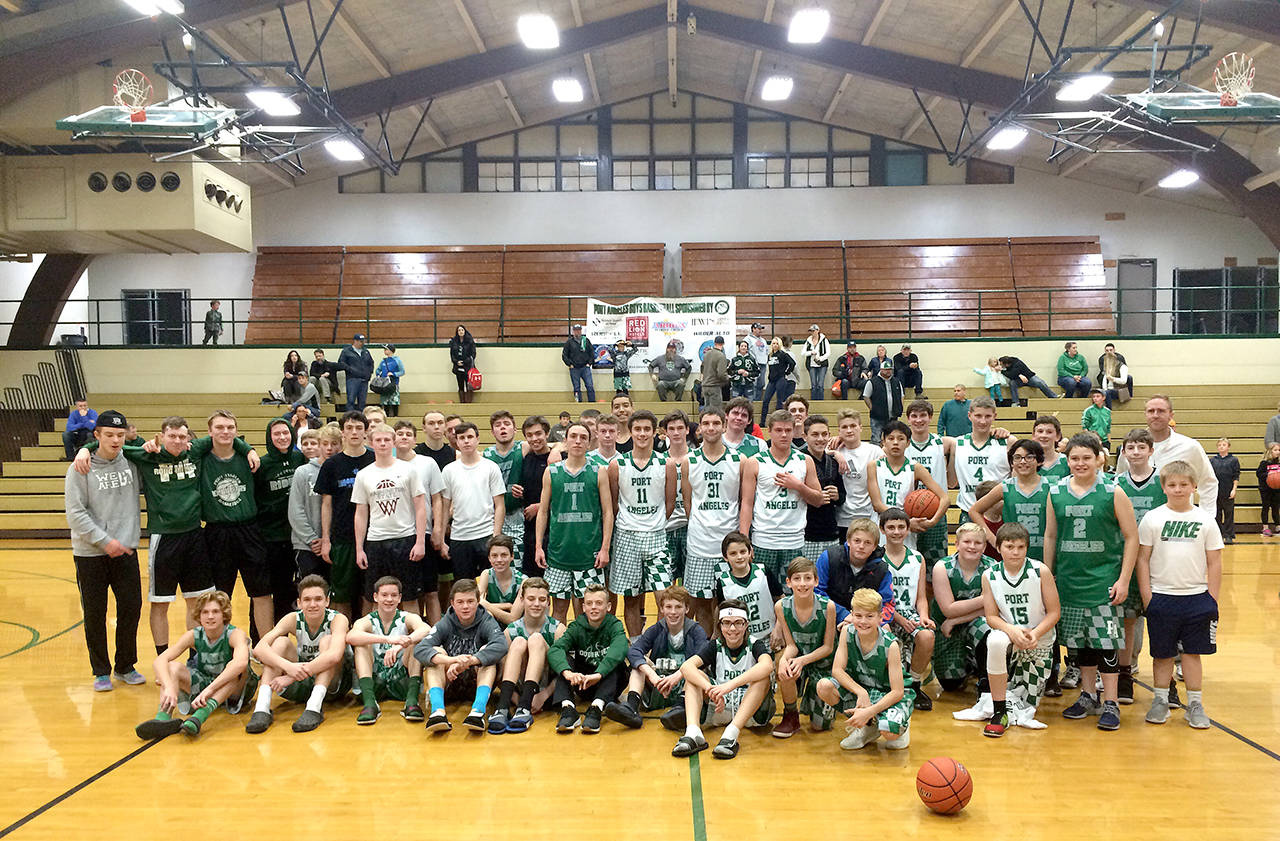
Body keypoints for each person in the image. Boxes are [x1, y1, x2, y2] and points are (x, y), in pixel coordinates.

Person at [1044, 433, 1138, 731]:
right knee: (1080, 645)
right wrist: (1047, 576)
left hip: (1103, 582)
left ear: (1099, 459)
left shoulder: (1113, 492)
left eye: (1086, 457)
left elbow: (1131, 537)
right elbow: (1050, 536)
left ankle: (1110, 701)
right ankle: (1087, 695)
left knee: (1106, 644)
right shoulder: (1056, 491)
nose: (1080, 463)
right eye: (1074, 458)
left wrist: (1123, 580)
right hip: (1070, 582)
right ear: (1067, 460)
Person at [1137, 461, 1223, 729]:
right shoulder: (1152, 518)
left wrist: (1212, 598)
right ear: (1163, 487)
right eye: (1172, 485)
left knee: (1191, 655)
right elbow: (1142, 560)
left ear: (1194, 487)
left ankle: (1195, 703)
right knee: (1162, 654)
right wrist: (1147, 596)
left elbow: (1215, 562)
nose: (1178, 489)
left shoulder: (1205, 520)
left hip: (1197, 597)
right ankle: (1160, 700)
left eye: (1183, 484)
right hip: (1162, 597)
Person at [65, 409, 144, 692]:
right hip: (90, 554)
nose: (115, 440)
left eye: (120, 435)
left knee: (131, 608)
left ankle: (125, 665)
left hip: (125, 550)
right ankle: (100, 670)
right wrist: (104, 541)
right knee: (95, 613)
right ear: (96, 435)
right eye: (109, 434)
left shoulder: (132, 462)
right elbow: (75, 514)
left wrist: (120, 543)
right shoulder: (80, 467)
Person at [134, 590, 254, 739]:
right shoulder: (194, 634)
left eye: (215, 611)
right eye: (205, 612)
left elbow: (240, 663)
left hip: (234, 690)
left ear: (224, 614)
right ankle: (163, 717)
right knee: (173, 667)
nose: (210, 616)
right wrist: (169, 686)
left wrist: (209, 690)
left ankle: (199, 717)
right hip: (206, 684)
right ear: (199, 615)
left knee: (234, 671)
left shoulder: (234, 634)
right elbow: (160, 660)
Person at [978, 522, 1060, 736]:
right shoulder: (989, 575)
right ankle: (999, 711)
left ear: (1027, 548)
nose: (1015, 552)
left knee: (1026, 703)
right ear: (998, 548)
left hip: (1038, 639)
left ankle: (1007, 700)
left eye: (1021, 547)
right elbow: (991, 617)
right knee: (994, 640)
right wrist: (1011, 630)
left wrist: (1034, 633)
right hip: (1009, 635)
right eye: (1009, 546)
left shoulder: (1040, 571)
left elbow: (1054, 613)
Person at [246, 574, 353, 734]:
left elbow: (334, 656)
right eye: (307, 599)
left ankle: (314, 708)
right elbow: (259, 648)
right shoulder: (292, 618)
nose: (313, 604)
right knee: (280, 643)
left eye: (318, 599)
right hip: (304, 679)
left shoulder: (338, 619)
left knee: (328, 642)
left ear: (327, 601)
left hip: (333, 685)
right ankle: (262, 708)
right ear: (299, 602)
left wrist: (291, 676)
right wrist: (288, 666)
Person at [670, 598, 776, 760]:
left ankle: (731, 734)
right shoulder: (715, 645)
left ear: (746, 625)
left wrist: (728, 686)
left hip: (750, 713)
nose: (732, 628)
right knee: (693, 677)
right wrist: (709, 689)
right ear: (719, 625)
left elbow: (768, 666)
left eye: (738, 623)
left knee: (763, 678)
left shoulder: (755, 644)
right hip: (719, 707)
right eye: (726, 623)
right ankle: (693, 732)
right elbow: (686, 667)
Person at [815, 588, 913, 750]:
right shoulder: (847, 631)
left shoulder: (891, 645)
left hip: (889, 694)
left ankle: (901, 723)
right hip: (864, 688)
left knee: (890, 735)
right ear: (851, 614)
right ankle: (868, 727)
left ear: (880, 617)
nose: (863, 622)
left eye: (869, 616)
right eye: (858, 616)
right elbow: (837, 670)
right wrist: (861, 692)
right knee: (824, 686)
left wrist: (870, 710)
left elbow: (897, 692)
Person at [535, 422, 612, 622]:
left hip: (589, 554)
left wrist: (605, 548)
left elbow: (607, 512)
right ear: (565, 440)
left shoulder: (598, 471)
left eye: (583, 437)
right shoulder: (551, 472)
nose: (578, 441)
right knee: (558, 610)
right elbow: (542, 511)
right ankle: (560, 651)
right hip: (559, 553)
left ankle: (583, 653)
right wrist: (538, 546)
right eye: (574, 436)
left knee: (586, 611)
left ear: (589, 443)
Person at [605, 585, 709, 730]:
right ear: (661, 609)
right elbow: (634, 651)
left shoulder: (696, 631)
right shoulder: (656, 629)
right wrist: (653, 676)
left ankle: (682, 710)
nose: (673, 612)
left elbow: (703, 656)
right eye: (668, 607)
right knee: (639, 664)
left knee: (698, 673)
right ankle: (632, 707)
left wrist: (679, 675)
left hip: (684, 686)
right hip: (659, 685)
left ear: (687, 609)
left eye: (678, 607)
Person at [608, 410, 674, 637]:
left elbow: (670, 503)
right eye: (638, 429)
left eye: (647, 429)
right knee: (631, 598)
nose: (642, 433)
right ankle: (636, 644)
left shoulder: (666, 463)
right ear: (630, 431)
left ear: (655, 432)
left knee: (664, 597)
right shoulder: (618, 464)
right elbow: (614, 504)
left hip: (656, 535)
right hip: (627, 535)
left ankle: (660, 643)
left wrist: (652, 521)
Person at [739, 410, 825, 583]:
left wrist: (798, 486)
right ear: (769, 431)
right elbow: (747, 503)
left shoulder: (804, 460)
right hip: (763, 539)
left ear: (795, 431)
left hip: (794, 540)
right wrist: (744, 540)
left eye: (788, 430)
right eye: (778, 430)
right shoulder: (755, 462)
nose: (784, 435)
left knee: (793, 593)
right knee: (762, 591)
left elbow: (818, 500)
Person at [1113, 428, 1167, 704]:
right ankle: (1124, 674)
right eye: (1130, 448)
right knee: (1127, 620)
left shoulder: (1163, 480)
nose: (1135, 452)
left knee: (1162, 619)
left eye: (1141, 447)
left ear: (1150, 450)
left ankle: (1166, 678)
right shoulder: (1116, 482)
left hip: (1159, 558)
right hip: (1127, 558)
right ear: (1124, 452)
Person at [415, 578, 508, 733]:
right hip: (450, 682)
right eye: (460, 602)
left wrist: (469, 661)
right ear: (452, 603)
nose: (465, 606)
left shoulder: (486, 620)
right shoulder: (446, 622)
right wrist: (451, 660)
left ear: (478, 601)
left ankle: (478, 712)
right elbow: (420, 649)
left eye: (470, 601)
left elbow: (501, 645)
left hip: (475, 681)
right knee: (437, 653)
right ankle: (437, 712)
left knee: (488, 656)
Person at [353, 423, 428, 614]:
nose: (383, 443)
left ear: (393, 442)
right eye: (378, 440)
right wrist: (359, 548)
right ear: (371, 442)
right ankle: (371, 642)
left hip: (405, 539)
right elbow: (361, 513)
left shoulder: (409, 470)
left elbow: (420, 506)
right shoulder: (363, 475)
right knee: (372, 597)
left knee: (409, 596)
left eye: (387, 440)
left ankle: (415, 642)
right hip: (376, 541)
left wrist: (420, 541)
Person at [316, 411, 376, 619]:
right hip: (341, 538)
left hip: (373, 536)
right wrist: (326, 539)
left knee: (370, 594)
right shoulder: (331, 465)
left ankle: (366, 642)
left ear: (366, 432)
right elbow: (326, 504)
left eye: (359, 428)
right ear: (342, 432)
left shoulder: (375, 459)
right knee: (341, 595)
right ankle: (344, 642)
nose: (354, 432)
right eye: (349, 428)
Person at [348, 576, 433, 725]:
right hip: (375, 683)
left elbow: (426, 629)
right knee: (362, 644)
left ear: (400, 598)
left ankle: (412, 701)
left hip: (401, 683)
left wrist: (402, 644)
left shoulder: (407, 617)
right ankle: (370, 703)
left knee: (415, 642)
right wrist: (388, 640)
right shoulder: (368, 620)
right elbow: (351, 636)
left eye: (394, 595)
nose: (389, 599)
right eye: (384, 595)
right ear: (375, 597)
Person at [1117, 394, 1218, 519]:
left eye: (1161, 411)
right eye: (1151, 411)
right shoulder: (1129, 449)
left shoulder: (1190, 447)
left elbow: (1208, 482)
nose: (1155, 415)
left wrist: (1207, 518)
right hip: (1136, 524)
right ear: (1145, 414)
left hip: (1177, 522)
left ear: (1171, 415)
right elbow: (1120, 484)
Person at [547, 583, 629, 734]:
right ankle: (568, 708)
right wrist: (568, 673)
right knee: (565, 660)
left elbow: (621, 647)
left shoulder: (614, 625)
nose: (594, 607)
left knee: (617, 663)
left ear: (608, 606)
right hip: (583, 684)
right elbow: (555, 650)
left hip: (608, 684)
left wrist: (599, 674)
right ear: (583, 607)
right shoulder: (577, 626)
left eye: (599, 603)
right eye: (589, 603)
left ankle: (596, 708)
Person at [772, 557, 839, 737]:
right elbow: (791, 645)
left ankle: (828, 698)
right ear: (788, 582)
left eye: (808, 578)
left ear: (816, 581)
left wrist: (802, 660)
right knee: (783, 668)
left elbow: (828, 648)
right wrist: (786, 661)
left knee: (819, 727)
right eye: (797, 578)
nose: (802, 584)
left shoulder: (828, 607)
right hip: (800, 658)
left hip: (824, 663)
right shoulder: (781, 606)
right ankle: (791, 716)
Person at [930, 523, 997, 703]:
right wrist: (987, 597)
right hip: (946, 628)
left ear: (984, 546)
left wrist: (957, 619)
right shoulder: (942, 567)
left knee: (987, 628)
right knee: (951, 684)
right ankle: (970, 662)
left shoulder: (993, 567)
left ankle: (986, 684)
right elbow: (948, 609)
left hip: (973, 622)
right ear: (957, 544)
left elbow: (995, 609)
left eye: (978, 543)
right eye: (967, 541)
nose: (972, 546)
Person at [879, 508, 936, 711]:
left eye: (901, 527)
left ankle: (914, 684)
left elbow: (921, 597)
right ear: (882, 530)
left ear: (908, 529)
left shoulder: (917, 558)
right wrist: (899, 619)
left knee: (927, 636)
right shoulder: (876, 558)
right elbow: (876, 600)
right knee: (886, 638)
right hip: (884, 615)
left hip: (910, 613)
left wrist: (923, 616)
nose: (896, 532)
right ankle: (889, 685)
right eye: (891, 527)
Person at [490, 577, 563, 733]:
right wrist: (514, 699)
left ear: (548, 602)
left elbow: (566, 671)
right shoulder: (511, 630)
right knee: (518, 642)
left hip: (546, 694)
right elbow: (498, 671)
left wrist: (544, 695)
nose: (536, 604)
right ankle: (503, 708)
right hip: (518, 696)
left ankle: (525, 706)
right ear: (522, 600)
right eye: (531, 599)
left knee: (536, 639)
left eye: (542, 599)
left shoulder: (557, 629)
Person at [255, 417, 307, 628]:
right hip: (272, 537)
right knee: (271, 589)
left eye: (285, 433)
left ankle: (291, 637)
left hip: (297, 536)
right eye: (276, 434)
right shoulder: (262, 464)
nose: (282, 437)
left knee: (293, 589)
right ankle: (264, 639)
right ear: (269, 437)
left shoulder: (300, 459)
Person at [867, 420, 949, 553]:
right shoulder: (874, 466)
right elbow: (877, 504)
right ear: (883, 441)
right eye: (891, 438)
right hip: (881, 527)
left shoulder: (915, 468)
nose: (895, 442)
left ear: (908, 443)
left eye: (901, 439)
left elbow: (945, 498)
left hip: (905, 531)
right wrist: (907, 522)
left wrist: (932, 522)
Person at [441, 422, 506, 580]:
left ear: (477, 439)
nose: (466, 441)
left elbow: (499, 505)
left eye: (470, 437)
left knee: (490, 586)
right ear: (456, 441)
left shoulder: (490, 467)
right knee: (463, 586)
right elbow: (445, 507)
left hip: (486, 535)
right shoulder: (449, 470)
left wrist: (495, 536)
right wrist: (442, 539)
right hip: (459, 537)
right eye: (462, 438)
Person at [289, 425, 338, 587]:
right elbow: (295, 511)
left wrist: (328, 540)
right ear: (319, 445)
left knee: (336, 594)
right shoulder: (303, 472)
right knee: (310, 593)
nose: (329, 448)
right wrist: (312, 540)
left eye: (334, 443)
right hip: (307, 545)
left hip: (336, 544)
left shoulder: (341, 471)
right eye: (325, 443)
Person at [814, 518, 894, 615]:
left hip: (866, 620)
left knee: (885, 628)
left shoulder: (882, 570)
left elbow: (887, 604)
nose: (861, 546)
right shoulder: (829, 558)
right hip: (830, 615)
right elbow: (816, 592)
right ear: (848, 541)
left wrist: (869, 620)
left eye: (867, 542)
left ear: (874, 546)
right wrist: (843, 615)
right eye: (857, 541)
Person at [953, 396, 1011, 521]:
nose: (983, 421)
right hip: (968, 513)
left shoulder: (1008, 442)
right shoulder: (956, 443)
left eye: (988, 416)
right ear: (969, 416)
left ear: (995, 416)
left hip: (999, 514)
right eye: (978, 416)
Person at [801, 415, 846, 563]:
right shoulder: (798, 461)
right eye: (814, 434)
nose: (820, 439)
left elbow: (843, 496)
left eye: (824, 434)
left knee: (830, 580)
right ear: (804, 436)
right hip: (806, 534)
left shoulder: (833, 462)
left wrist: (837, 496)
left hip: (831, 532)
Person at [518, 415, 553, 576]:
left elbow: (564, 494)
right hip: (530, 530)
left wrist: (540, 506)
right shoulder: (526, 459)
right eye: (529, 435)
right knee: (532, 579)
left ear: (547, 434)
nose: (534, 438)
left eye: (538, 434)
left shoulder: (558, 458)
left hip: (553, 529)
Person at [862, 360, 904, 445]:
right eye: (886, 369)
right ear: (881, 370)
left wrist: (899, 407)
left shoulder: (896, 382)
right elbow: (866, 396)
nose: (888, 371)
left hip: (893, 417)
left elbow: (902, 396)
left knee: (892, 440)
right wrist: (873, 408)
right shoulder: (872, 382)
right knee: (876, 440)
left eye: (890, 369)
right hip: (877, 417)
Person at [1209, 438, 1240, 545]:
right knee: (1216, 514)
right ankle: (1217, 535)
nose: (1221, 446)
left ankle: (1228, 535)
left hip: (1228, 490)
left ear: (1228, 446)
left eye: (1224, 444)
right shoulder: (1212, 461)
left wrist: (1234, 489)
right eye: (1219, 445)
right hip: (1216, 491)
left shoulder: (1233, 460)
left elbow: (1236, 476)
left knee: (1229, 514)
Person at [760, 336, 796, 417]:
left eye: (777, 343)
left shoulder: (783, 354)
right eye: (773, 343)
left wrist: (787, 372)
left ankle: (779, 419)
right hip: (772, 381)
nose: (775, 345)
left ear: (779, 345)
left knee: (779, 401)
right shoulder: (770, 355)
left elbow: (792, 363)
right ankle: (762, 421)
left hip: (781, 380)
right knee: (765, 400)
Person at [338, 333, 375, 412]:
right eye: (360, 341)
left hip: (364, 380)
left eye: (363, 341)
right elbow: (341, 363)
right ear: (355, 341)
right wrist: (351, 370)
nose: (362, 343)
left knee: (362, 402)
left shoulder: (366, 352)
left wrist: (369, 374)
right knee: (351, 400)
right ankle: (349, 418)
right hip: (352, 379)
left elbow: (371, 363)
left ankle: (361, 419)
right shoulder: (346, 351)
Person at [562, 323, 596, 403]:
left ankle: (592, 403)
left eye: (579, 330)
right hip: (574, 369)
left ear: (581, 331)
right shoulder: (569, 342)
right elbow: (564, 355)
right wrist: (570, 364)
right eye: (576, 330)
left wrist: (589, 363)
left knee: (590, 386)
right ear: (573, 331)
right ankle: (578, 403)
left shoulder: (586, 341)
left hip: (585, 367)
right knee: (576, 388)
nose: (577, 332)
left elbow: (592, 352)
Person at [447, 324, 477, 404]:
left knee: (468, 385)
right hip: (458, 367)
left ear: (465, 331)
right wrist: (456, 362)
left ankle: (469, 403)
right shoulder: (454, 342)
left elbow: (473, 354)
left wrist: (464, 362)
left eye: (462, 330)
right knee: (460, 385)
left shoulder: (470, 341)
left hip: (467, 367)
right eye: (459, 330)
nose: (461, 332)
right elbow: (452, 354)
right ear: (457, 332)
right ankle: (462, 402)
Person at [802, 324, 830, 402]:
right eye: (811, 331)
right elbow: (803, 353)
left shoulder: (824, 340)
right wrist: (811, 352)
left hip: (822, 365)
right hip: (811, 365)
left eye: (813, 331)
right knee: (814, 385)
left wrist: (820, 359)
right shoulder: (808, 341)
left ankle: (820, 403)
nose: (812, 333)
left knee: (820, 385)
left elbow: (828, 353)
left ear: (818, 331)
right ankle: (814, 403)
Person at [374, 344, 405, 417]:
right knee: (385, 401)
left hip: (393, 383)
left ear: (391, 350)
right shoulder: (383, 361)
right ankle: (386, 416)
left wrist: (393, 374)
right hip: (384, 384)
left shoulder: (397, 360)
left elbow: (402, 371)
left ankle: (395, 415)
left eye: (386, 349)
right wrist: (378, 374)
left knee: (394, 401)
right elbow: (378, 370)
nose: (385, 351)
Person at [700, 336, 729, 410]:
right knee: (715, 411)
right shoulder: (721, 356)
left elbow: (702, 368)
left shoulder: (706, 354)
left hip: (705, 386)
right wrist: (727, 379)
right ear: (723, 344)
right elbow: (721, 374)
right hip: (714, 387)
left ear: (714, 343)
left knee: (707, 411)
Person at [1258, 442, 1280, 537]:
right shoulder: (1264, 463)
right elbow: (1258, 474)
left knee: (1276, 508)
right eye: (1275, 450)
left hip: (1277, 489)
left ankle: (1278, 526)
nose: (1278, 452)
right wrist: (1269, 475)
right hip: (1266, 489)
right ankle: (1265, 527)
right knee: (1266, 507)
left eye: (1279, 450)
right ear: (1270, 452)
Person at [747, 322, 770, 400]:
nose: (760, 331)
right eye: (758, 329)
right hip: (754, 364)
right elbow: (745, 350)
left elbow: (767, 351)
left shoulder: (763, 340)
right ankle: (752, 400)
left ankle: (758, 400)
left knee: (761, 383)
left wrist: (766, 360)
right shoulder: (748, 339)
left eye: (761, 329)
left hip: (763, 364)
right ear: (753, 329)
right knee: (753, 383)